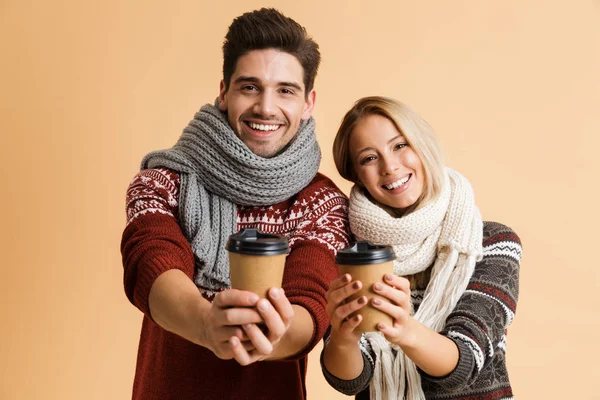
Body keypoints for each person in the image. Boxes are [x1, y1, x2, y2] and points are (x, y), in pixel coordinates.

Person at [120, 8, 351, 400]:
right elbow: (152, 262)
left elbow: (310, 304)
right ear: (224, 91)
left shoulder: (322, 201)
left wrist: (270, 337)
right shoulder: (162, 180)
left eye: (285, 90)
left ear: (308, 102)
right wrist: (205, 324)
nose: (265, 106)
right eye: (249, 87)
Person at [320, 96, 522, 399]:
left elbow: (465, 364)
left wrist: (404, 330)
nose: (390, 166)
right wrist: (343, 337)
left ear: (423, 145)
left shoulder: (489, 242)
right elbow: (350, 382)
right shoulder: (348, 251)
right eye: (369, 158)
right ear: (356, 174)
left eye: (400, 145)